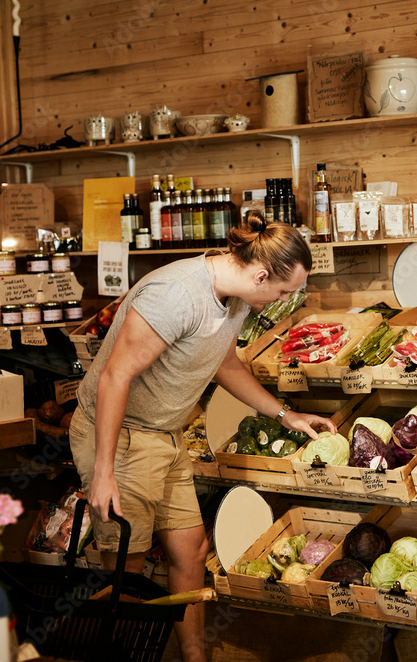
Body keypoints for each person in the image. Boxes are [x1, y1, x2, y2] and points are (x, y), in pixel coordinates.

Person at [69, 211, 336, 662]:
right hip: (121, 437)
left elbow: (225, 364)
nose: (281, 300)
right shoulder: (175, 295)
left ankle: (194, 658)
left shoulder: (233, 299)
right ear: (260, 273)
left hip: (165, 435)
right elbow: (115, 376)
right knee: (126, 568)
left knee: (191, 550)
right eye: (283, 291)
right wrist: (103, 471)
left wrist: (284, 415)